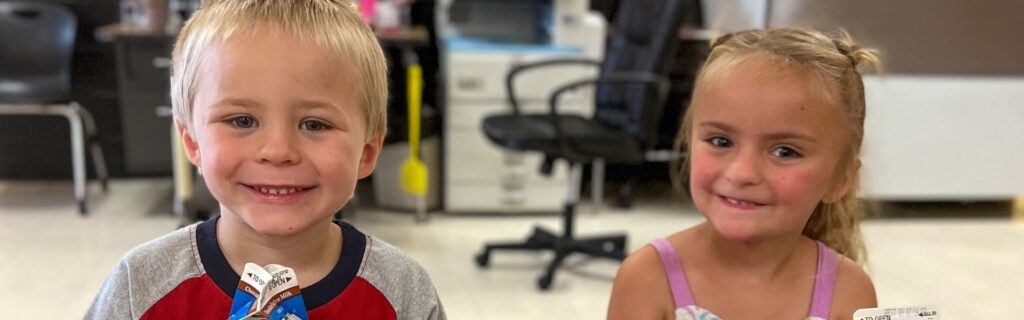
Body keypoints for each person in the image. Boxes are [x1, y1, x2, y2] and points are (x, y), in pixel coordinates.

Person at [86, 0, 445, 318]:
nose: (277, 151)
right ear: (192, 141)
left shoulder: (402, 293)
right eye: (242, 121)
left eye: (315, 124)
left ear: (366, 153)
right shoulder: (140, 287)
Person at [607, 28, 880, 320]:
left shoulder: (849, 290)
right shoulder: (648, 279)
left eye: (785, 151)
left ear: (841, 179)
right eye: (720, 142)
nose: (742, 173)